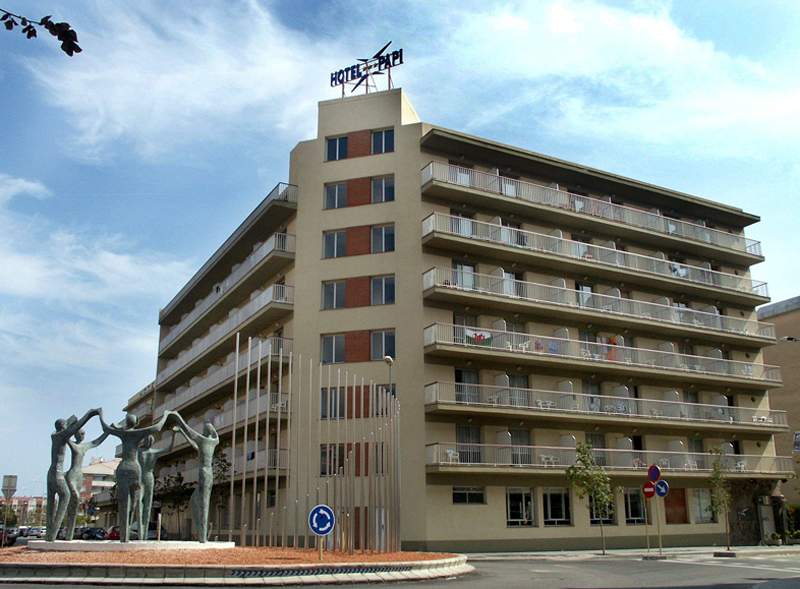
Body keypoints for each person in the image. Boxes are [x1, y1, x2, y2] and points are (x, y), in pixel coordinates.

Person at [101, 412, 174, 542]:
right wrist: (166, 416)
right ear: (136, 423)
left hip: (127, 470)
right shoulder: (142, 437)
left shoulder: (126, 436)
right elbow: (158, 429)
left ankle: (127, 533)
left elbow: (106, 428)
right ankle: (139, 533)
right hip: (139, 473)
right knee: (141, 504)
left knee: (131, 503)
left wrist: (101, 415)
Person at [46, 408, 102, 542]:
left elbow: (71, 425)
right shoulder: (62, 436)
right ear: (64, 427)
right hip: (58, 473)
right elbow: (76, 426)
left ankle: (50, 534)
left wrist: (70, 420)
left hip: (51, 473)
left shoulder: (54, 435)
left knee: (50, 505)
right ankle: (53, 533)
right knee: (66, 496)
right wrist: (90, 414)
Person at [172, 414, 218, 543]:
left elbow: (190, 431)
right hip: (209, 474)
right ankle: (202, 532)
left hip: (204, 472)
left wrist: (178, 419)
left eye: (204, 429)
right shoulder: (213, 442)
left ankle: (203, 537)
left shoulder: (204, 440)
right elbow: (193, 442)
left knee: (203, 503)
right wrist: (181, 431)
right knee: (194, 500)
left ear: (205, 432)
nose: (202, 431)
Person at [64, 429, 109, 540]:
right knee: (73, 498)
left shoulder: (85, 446)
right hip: (72, 474)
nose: (82, 435)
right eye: (80, 433)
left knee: (75, 501)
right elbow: (64, 435)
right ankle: (67, 529)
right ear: (75, 434)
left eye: (84, 433)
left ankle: (69, 534)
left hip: (79, 475)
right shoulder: (72, 443)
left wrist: (107, 432)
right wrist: (70, 426)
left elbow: (97, 442)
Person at [137, 430, 176, 538]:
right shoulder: (145, 452)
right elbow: (169, 448)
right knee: (141, 502)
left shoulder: (141, 452)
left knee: (147, 503)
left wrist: (173, 435)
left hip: (147, 477)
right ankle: (141, 531)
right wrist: (173, 435)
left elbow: (168, 449)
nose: (148, 442)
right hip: (145, 477)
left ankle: (143, 533)